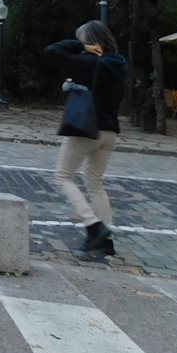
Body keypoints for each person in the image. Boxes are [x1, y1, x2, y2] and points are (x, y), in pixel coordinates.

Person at [46, 21, 128, 255]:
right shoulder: (119, 64)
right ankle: (106, 238)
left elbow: (52, 50)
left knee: (63, 176)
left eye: (83, 40)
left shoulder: (89, 62)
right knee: (94, 182)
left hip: (87, 129)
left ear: (91, 41)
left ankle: (93, 226)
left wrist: (80, 46)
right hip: (110, 132)